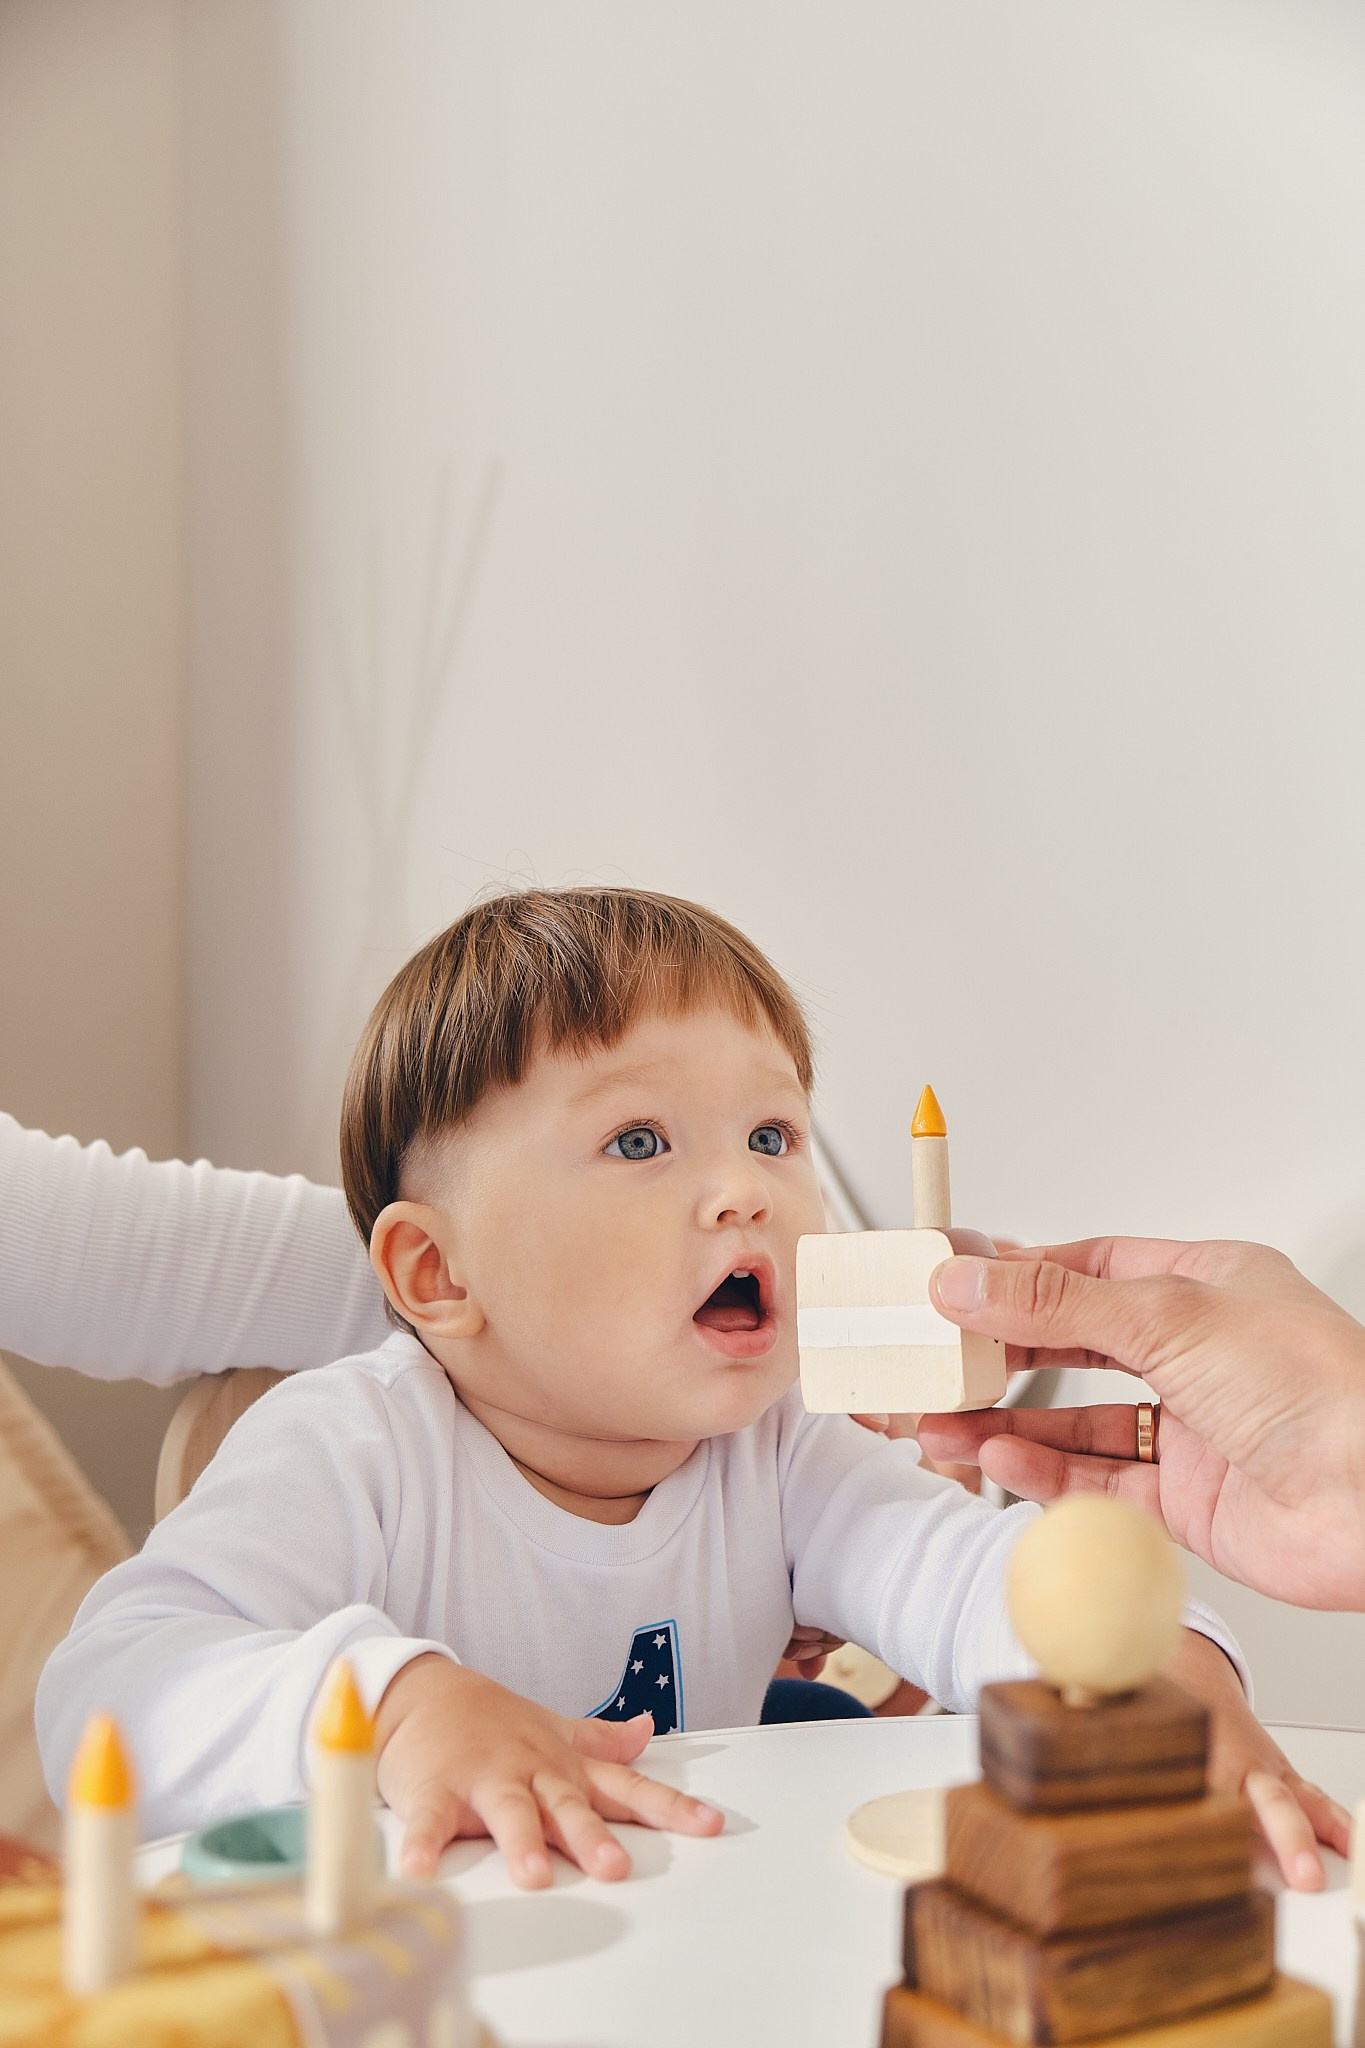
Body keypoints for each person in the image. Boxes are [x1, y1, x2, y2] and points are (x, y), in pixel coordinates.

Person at [37, 889, 1326, 1889]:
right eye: (640, 1141)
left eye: (773, 1135)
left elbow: (975, 1582)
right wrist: (394, 1707)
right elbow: (112, 1687)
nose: (748, 1188)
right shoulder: (352, 1449)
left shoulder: (778, 1455)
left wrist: (1163, 1685)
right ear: (435, 1272)